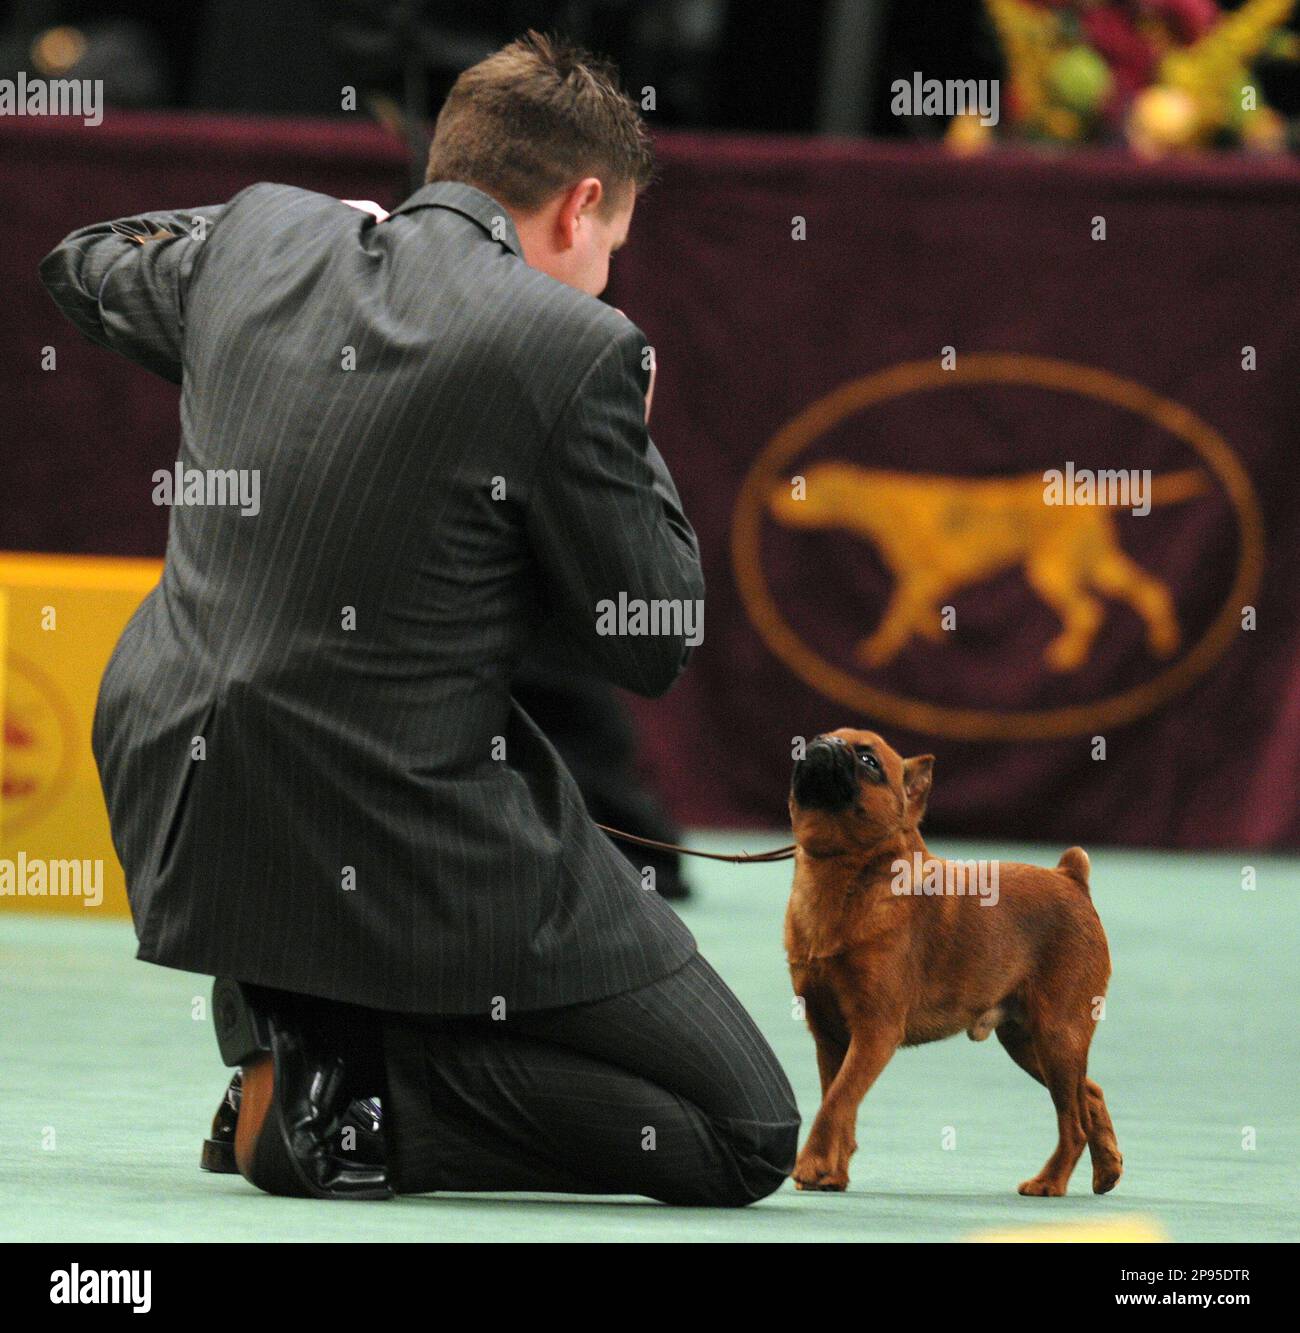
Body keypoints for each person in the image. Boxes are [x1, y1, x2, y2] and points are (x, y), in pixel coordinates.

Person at [39, 31, 798, 1205]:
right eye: (611, 248)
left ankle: (306, 1046)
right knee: (744, 1129)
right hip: (398, 820)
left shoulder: (265, 235)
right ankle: (355, 1109)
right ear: (580, 203)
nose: (606, 278)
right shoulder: (578, 345)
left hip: (177, 776)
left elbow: (83, 260)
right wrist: (632, 429)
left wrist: (252, 233)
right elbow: (654, 642)